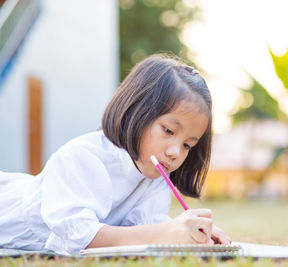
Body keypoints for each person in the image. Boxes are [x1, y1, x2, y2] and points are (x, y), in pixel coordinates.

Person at [0, 54, 231, 255]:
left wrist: (193, 235)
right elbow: (80, 238)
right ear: (136, 110)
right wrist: (166, 232)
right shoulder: (80, 158)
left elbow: (144, 232)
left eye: (187, 145)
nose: (174, 153)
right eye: (168, 131)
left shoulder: (156, 178)